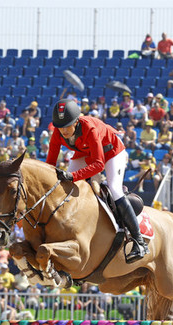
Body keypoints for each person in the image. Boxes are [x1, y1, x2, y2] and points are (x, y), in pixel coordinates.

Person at [47, 99, 148, 262]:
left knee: (114, 189)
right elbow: (50, 165)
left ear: (76, 122)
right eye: (60, 126)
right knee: (63, 188)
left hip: (112, 152)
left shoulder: (89, 128)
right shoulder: (58, 133)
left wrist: (73, 176)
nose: (63, 131)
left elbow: (99, 164)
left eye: (67, 126)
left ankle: (139, 242)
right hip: (85, 154)